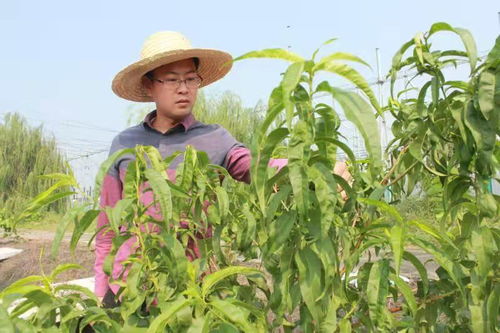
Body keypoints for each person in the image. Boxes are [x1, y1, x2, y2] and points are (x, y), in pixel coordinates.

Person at [95, 31, 350, 304]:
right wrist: (101, 292)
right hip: (130, 288)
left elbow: (256, 167)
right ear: (149, 85)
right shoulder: (124, 144)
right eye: (171, 79)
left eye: (191, 78)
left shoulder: (214, 138)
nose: (184, 88)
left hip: (191, 289)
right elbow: (107, 228)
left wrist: (315, 169)